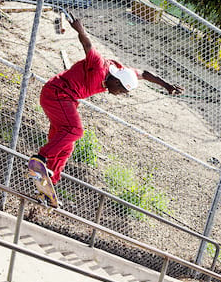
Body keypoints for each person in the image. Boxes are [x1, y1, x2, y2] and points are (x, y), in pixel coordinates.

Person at [29, 18, 183, 188]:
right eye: (121, 91)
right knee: (75, 130)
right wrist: (80, 30)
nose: (118, 95)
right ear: (116, 82)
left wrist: (166, 85)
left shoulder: (124, 73)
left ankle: (49, 181)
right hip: (57, 93)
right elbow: (88, 46)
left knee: (66, 146)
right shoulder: (99, 66)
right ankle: (40, 158)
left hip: (67, 101)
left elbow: (145, 73)